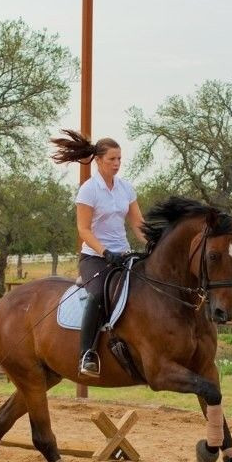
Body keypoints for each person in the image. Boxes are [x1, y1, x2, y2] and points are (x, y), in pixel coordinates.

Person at [51, 129, 146, 377]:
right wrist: (104, 252)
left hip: (124, 255)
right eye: (112, 159)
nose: (117, 164)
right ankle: (87, 354)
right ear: (99, 160)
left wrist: (152, 243)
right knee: (97, 295)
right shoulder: (88, 190)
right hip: (94, 257)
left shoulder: (126, 188)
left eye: (119, 159)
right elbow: (83, 230)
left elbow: (138, 224)